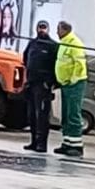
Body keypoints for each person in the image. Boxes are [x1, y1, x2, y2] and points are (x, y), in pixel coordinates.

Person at [54, 20, 89, 158]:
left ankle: (76, 146)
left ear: (64, 30)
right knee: (66, 114)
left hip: (74, 84)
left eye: (58, 29)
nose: (57, 32)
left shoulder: (74, 43)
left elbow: (79, 64)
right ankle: (67, 143)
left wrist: (73, 80)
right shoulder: (64, 43)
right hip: (65, 84)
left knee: (73, 113)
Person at [22, 21, 58, 153]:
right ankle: (33, 141)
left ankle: (42, 144)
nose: (42, 30)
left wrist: (51, 82)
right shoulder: (32, 43)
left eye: (44, 28)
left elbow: (56, 65)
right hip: (31, 83)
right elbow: (25, 59)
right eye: (40, 27)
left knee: (42, 115)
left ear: (48, 29)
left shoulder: (53, 46)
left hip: (43, 85)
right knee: (31, 114)